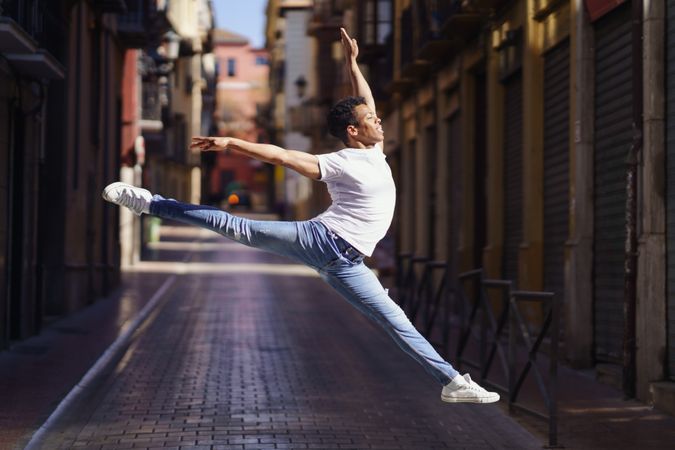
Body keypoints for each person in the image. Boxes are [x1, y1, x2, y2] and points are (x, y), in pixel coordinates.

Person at [103, 28, 499, 404]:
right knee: (233, 225)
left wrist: (352, 63)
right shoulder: (341, 162)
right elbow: (284, 156)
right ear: (353, 131)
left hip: (350, 264)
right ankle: (150, 203)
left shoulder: (373, 151)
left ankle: (451, 383)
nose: (377, 119)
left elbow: (367, 99)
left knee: (397, 323)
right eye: (369, 120)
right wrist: (232, 142)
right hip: (324, 240)